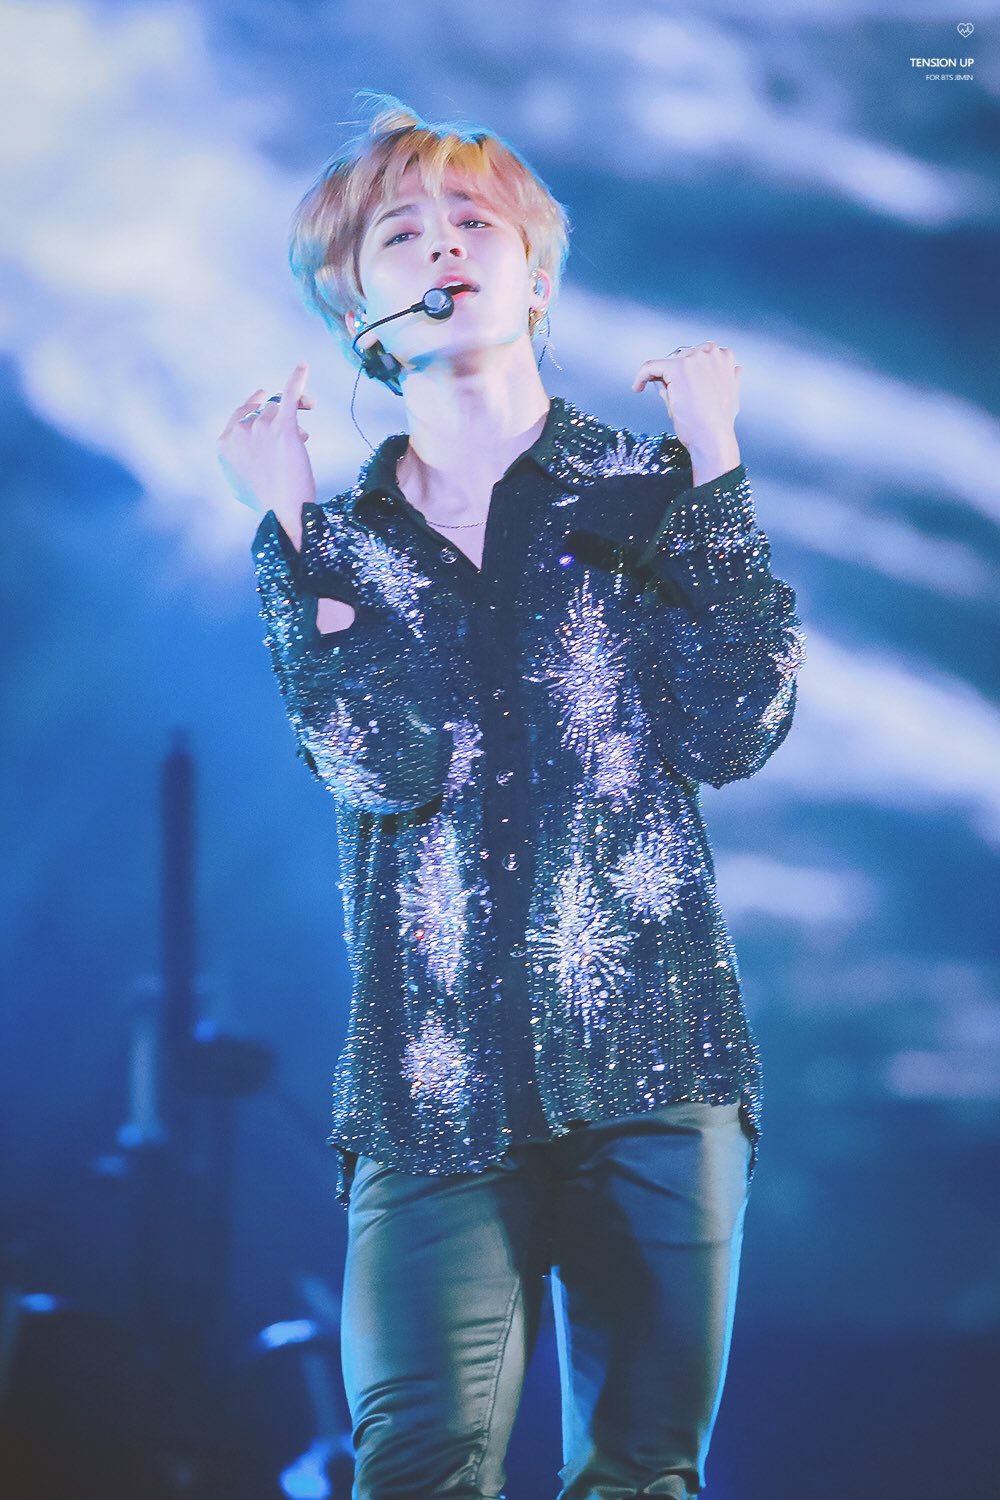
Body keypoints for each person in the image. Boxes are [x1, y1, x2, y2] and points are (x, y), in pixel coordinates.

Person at [217, 91, 805, 1500]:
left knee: (641, 1474)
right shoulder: (337, 539)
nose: (443, 249)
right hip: (432, 1085)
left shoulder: (643, 489)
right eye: (400, 234)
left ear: (535, 274)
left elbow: (737, 726)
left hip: (657, 1060)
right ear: (354, 307)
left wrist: (717, 463)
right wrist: (289, 528)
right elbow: (380, 762)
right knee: (416, 1467)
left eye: (473, 222)